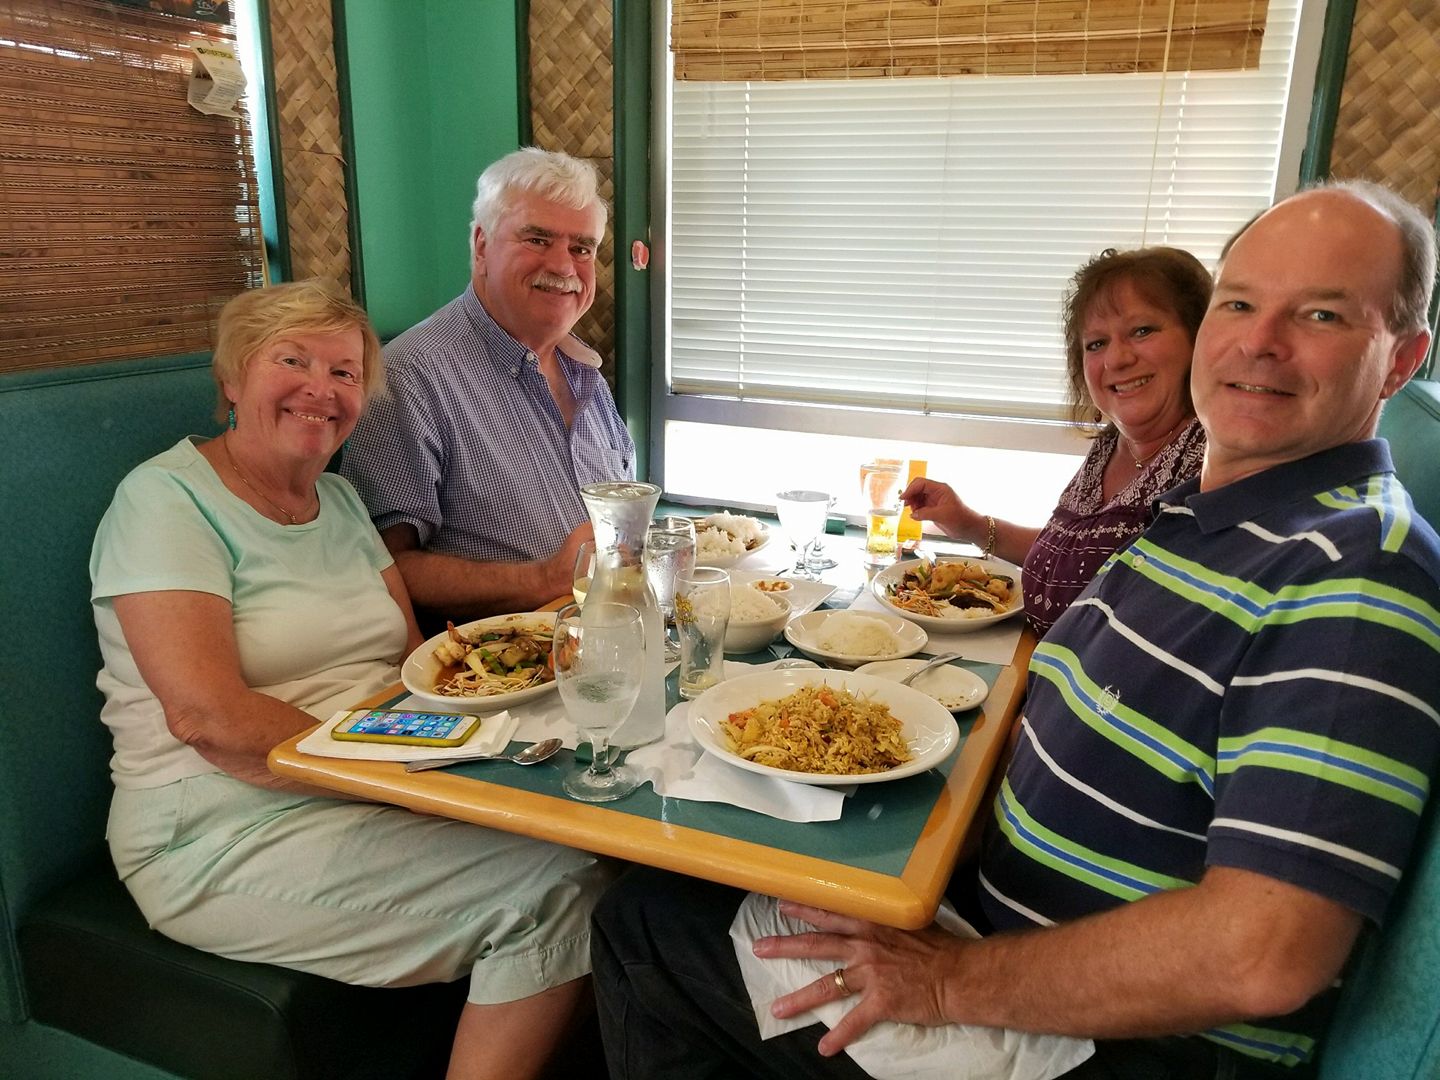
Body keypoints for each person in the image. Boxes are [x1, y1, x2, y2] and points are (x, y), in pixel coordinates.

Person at [589, 180, 1440, 1078]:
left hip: (1119, 1042)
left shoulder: (1356, 571)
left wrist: (947, 981)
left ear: (1402, 360)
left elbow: (1263, 954)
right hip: (1009, 936)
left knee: (647, 930)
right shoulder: (1206, 517)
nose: (1258, 341)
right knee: (697, 879)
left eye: (1320, 314)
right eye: (1239, 303)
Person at [91, 281, 614, 1080]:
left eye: (343, 373)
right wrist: (406, 773)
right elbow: (208, 718)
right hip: (217, 829)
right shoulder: (164, 501)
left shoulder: (337, 500)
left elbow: (416, 670)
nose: (321, 388)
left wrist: (509, 723)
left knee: (605, 839)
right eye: (292, 361)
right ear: (231, 378)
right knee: (558, 892)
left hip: (363, 781)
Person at [340, 148, 635, 628]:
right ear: (481, 246)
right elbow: (382, 569)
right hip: (492, 662)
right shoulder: (411, 375)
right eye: (537, 239)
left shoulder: (586, 375)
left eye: (582, 248)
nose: (564, 267)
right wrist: (545, 579)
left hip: (610, 638)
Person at [902, 247, 1211, 635]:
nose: (1116, 359)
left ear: (1200, 337)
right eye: (1096, 343)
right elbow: (1069, 559)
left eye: (1142, 330)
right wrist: (969, 524)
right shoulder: (1110, 446)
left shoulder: (1206, 461)